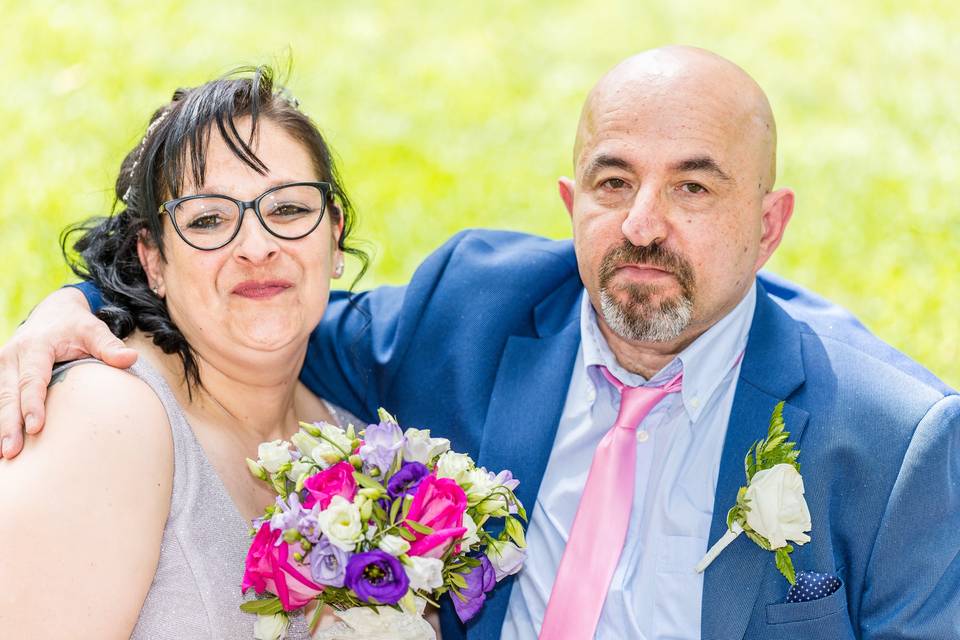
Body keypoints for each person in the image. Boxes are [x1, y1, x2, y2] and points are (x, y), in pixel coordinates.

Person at [3, 46, 958, 639]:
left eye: (696, 188)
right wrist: (72, 303)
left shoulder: (890, 447)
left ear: (770, 223)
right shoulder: (470, 317)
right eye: (614, 182)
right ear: (569, 204)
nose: (645, 226)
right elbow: (256, 306)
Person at [0, 67, 369, 638]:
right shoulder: (109, 419)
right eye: (208, 219)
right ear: (153, 260)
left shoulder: (364, 445)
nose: (258, 247)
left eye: (289, 210)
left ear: (334, 236)